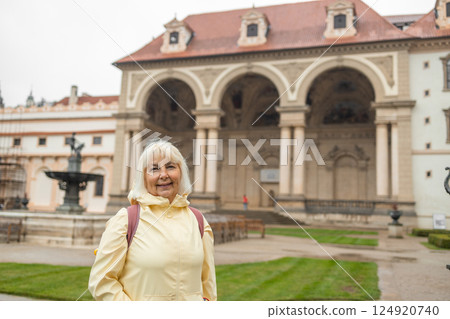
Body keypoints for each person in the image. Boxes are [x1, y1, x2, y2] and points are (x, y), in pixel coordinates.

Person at [88, 139, 217, 301]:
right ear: (143, 177)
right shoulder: (126, 220)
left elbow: (208, 284)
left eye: (170, 167)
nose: (163, 175)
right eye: (154, 169)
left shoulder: (198, 220)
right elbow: (101, 282)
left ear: (181, 173)